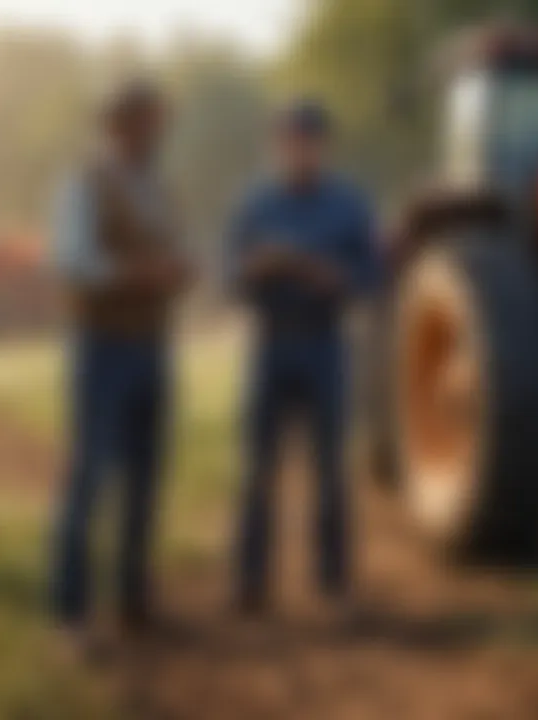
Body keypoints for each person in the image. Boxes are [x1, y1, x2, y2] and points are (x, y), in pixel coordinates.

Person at [50, 80, 192, 641]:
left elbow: (170, 250)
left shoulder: (160, 186)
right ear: (118, 125)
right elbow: (73, 263)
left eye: (159, 122)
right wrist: (143, 275)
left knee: (146, 478)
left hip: (153, 345)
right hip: (102, 347)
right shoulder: (83, 183)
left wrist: (181, 270)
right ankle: (71, 613)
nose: (156, 132)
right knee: (88, 481)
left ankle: (134, 599)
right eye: (147, 122)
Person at [228, 99, 381, 614]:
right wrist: (259, 269)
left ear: (323, 146)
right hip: (269, 341)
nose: (300, 151)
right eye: (291, 142)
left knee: (330, 469)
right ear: (277, 145)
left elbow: (373, 279)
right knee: (258, 467)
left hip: (325, 342)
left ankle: (332, 581)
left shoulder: (350, 203)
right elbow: (229, 279)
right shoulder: (254, 202)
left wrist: (333, 277)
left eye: (310, 142)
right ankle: (250, 582)